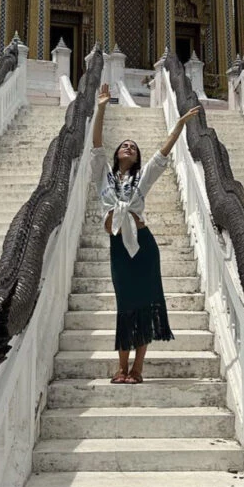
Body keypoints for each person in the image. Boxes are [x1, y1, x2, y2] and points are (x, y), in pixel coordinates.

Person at [91, 83, 201, 383]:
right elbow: (97, 145)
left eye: (134, 147)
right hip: (118, 249)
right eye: (124, 145)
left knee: (144, 305)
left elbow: (162, 154)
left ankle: (137, 369)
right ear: (117, 154)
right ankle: (121, 367)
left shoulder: (142, 179)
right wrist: (101, 108)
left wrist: (178, 125)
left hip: (144, 248)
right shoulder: (104, 177)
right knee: (125, 305)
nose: (129, 147)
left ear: (137, 157)